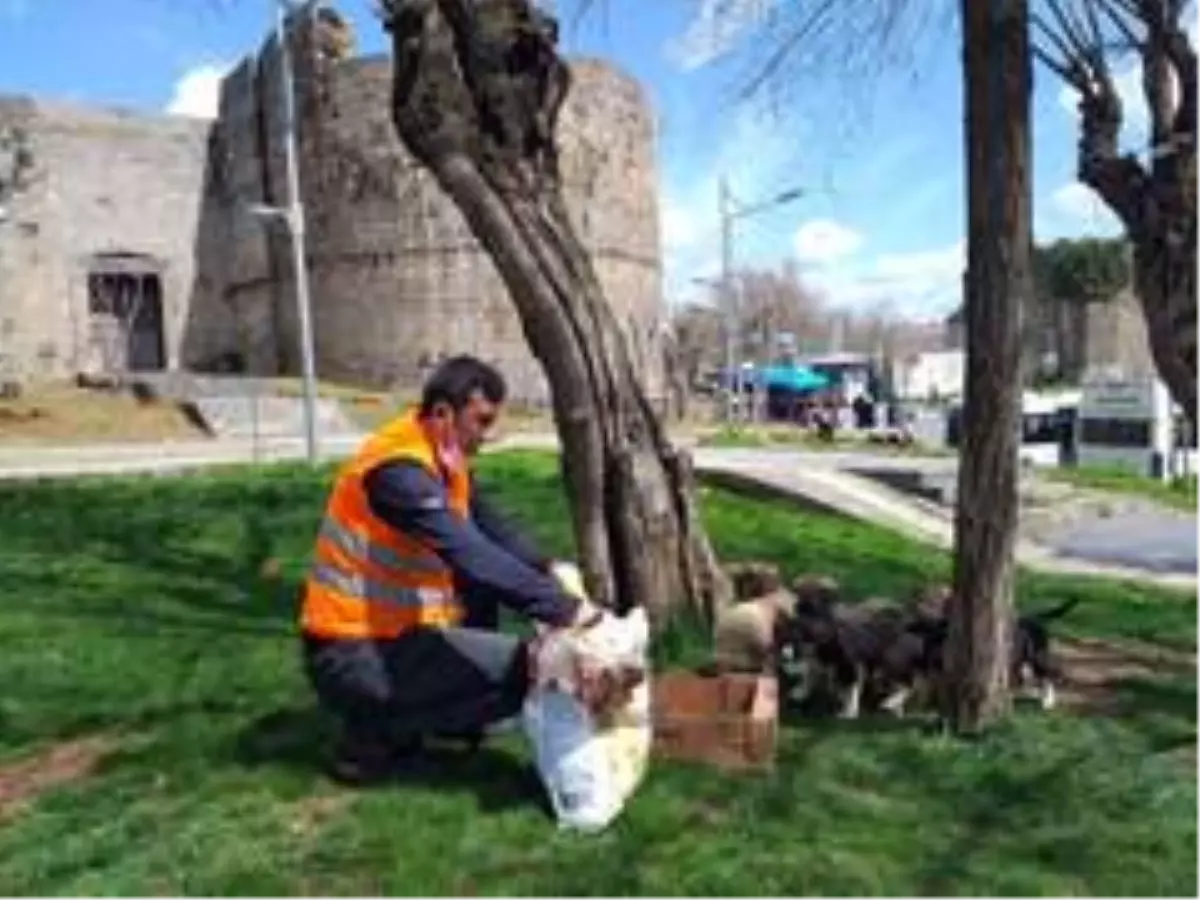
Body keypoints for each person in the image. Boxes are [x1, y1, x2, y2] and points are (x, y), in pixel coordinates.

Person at [299, 355, 594, 785]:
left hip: (387, 637)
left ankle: (422, 723)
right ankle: (370, 738)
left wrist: (548, 567)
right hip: (351, 654)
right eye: (481, 421)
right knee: (527, 668)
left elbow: (493, 528)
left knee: (484, 594)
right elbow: (471, 553)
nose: (485, 436)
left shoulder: (440, 457)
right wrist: (567, 612)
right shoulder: (399, 471)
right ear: (443, 413)